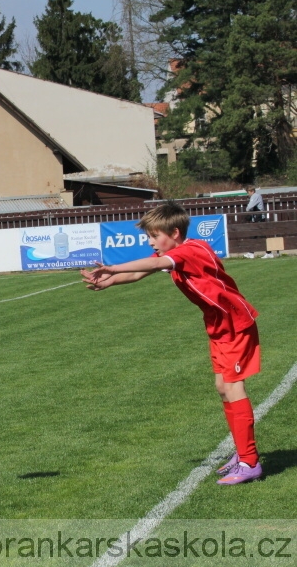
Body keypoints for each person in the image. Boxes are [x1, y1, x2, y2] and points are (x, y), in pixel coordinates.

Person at [80, 201, 263, 485]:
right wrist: (111, 281)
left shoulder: (190, 251)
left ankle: (249, 461)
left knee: (232, 386)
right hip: (218, 326)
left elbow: (152, 264)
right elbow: (143, 271)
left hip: (235, 324)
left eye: (154, 236)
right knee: (222, 388)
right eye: (148, 237)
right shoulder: (178, 254)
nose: (151, 242)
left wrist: (112, 268)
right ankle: (242, 454)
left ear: (174, 233)